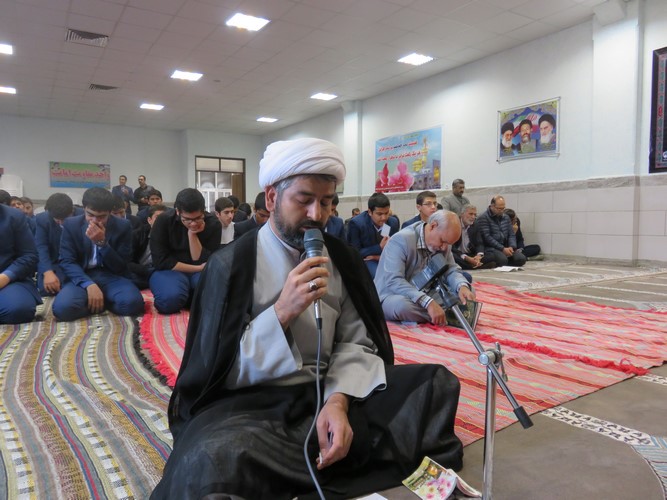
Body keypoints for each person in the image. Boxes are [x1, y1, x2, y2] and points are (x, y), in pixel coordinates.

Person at [151, 137, 463, 499]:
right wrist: (282, 310)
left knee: (436, 384)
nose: (317, 214)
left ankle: (295, 465)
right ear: (272, 198)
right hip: (256, 404)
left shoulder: (342, 258)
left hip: (333, 391)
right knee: (211, 457)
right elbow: (217, 371)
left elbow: (357, 342)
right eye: (304, 200)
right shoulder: (230, 265)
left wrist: (337, 402)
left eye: (326, 202)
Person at [52, 187, 145, 321]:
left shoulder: (123, 226)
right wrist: (88, 284)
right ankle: (101, 301)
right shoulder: (71, 225)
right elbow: (67, 261)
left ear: (110, 213)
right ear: (84, 209)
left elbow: (121, 265)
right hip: (82, 275)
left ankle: (101, 301)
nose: (95, 220)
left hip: (111, 275)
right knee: (62, 309)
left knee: (133, 305)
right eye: (90, 214)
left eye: (101, 216)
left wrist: (102, 243)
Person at [374, 210, 475, 324]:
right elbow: (394, 281)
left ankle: (440, 313)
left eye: (448, 244)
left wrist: (461, 286)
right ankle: (448, 314)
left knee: (467, 292)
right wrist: (427, 302)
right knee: (401, 306)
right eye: (442, 241)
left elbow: (451, 270)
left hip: (426, 293)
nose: (444, 248)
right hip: (395, 295)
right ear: (433, 226)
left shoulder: (444, 243)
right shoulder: (401, 240)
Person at [149, 188, 222, 314]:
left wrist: (192, 234)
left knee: (214, 296)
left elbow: (202, 260)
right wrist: (198, 268)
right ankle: (187, 297)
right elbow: (161, 261)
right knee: (169, 301)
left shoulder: (213, 223)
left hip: (199, 273)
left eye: (198, 218)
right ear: (177, 211)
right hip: (170, 271)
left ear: (203, 211)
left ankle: (188, 297)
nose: (193, 223)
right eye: (187, 219)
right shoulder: (164, 221)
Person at [0, 202, 42, 324]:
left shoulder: (13, 216)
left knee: (20, 309)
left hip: (8, 280)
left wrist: (6, 276)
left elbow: (29, 255)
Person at [34, 193, 83, 296]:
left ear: (72, 210)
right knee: (47, 288)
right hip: (56, 262)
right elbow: (41, 247)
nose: (61, 223)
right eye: (57, 220)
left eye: (64, 219)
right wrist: (47, 271)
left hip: (78, 262)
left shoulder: (83, 216)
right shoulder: (42, 219)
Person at [347, 192, 399, 279]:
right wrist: (379, 247)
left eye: (386, 213)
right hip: (365, 260)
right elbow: (354, 252)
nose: (384, 218)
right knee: (378, 276)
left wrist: (377, 257)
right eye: (379, 214)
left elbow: (395, 248)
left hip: (385, 258)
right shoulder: (357, 224)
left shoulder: (393, 222)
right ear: (370, 212)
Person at [476, 195, 527, 267]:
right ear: (492, 206)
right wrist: (502, 249)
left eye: (503, 208)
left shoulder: (506, 217)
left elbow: (511, 234)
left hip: (505, 246)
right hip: (491, 248)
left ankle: (505, 259)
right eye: (499, 208)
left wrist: (511, 246)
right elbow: (487, 237)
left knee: (521, 259)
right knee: (503, 260)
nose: (502, 211)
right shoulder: (483, 217)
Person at [128, 204, 167, 290]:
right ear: (149, 220)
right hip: (140, 271)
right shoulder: (137, 235)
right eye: (158, 218)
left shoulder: (171, 236)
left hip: (161, 271)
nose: (162, 221)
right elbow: (128, 261)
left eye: (164, 218)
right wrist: (145, 270)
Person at [452, 205, 497, 270]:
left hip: (471, 254)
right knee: (453, 257)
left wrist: (478, 256)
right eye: (470, 214)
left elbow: (479, 243)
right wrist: (467, 258)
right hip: (459, 254)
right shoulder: (454, 224)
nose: (473, 217)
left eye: (475, 215)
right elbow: (452, 247)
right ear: (462, 214)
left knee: (492, 255)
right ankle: (472, 266)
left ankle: (473, 264)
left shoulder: (475, 224)